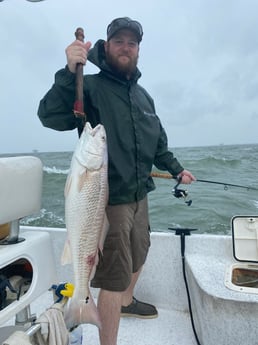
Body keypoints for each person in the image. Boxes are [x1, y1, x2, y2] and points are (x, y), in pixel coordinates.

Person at [38, 17, 196, 345]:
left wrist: (177, 169)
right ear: (106, 46)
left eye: (132, 42)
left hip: (140, 197)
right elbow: (49, 115)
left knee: (141, 253)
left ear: (138, 49)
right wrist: (69, 73)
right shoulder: (90, 86)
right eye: (119, 41)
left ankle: (126, 301)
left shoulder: (144, 97)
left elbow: (158, 143)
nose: (126, 47)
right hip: (106, 202)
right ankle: (107, 333)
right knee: (113, 277)